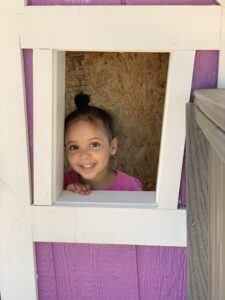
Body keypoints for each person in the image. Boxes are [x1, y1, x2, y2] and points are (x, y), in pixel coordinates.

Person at [64, 92, 142, 194]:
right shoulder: (60, 183)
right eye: (74, 147)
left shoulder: (130, 187)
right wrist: (66, 194)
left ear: (112, 146)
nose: (84, 155)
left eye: (94, 145)